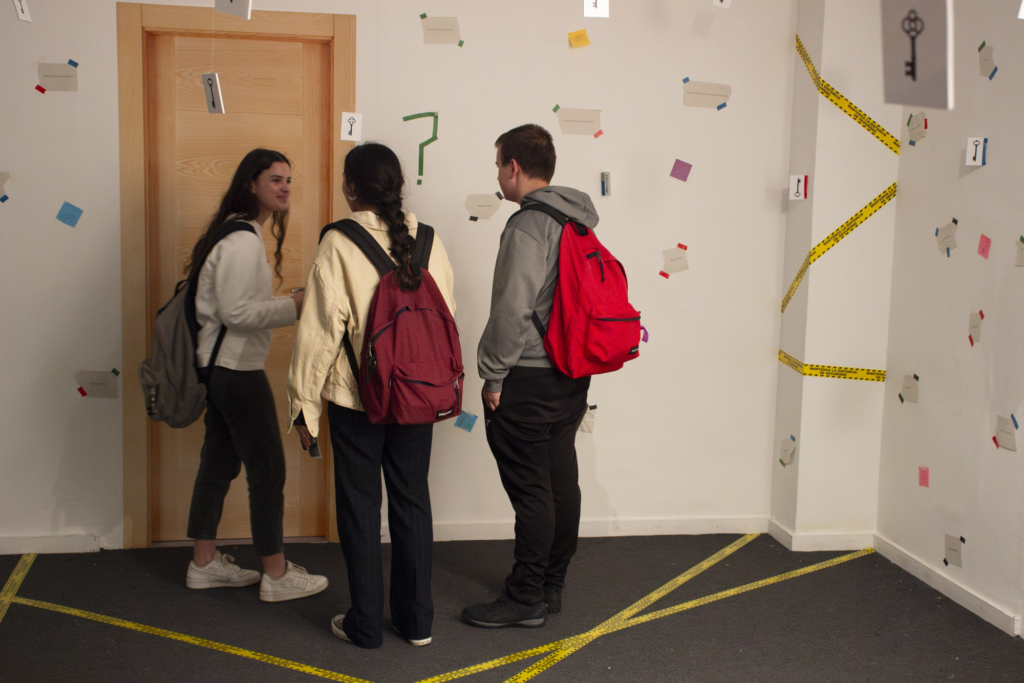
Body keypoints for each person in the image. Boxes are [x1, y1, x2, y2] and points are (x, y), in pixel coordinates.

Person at [286, 143, 457, 649]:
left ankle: (365, 624)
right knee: (412, 501)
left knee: (360, 508)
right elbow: (446, 318)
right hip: (418, 396)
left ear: (350, 188)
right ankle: (417, 622)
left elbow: (317, 336)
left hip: (357, 399)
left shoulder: (339, 244)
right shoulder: (430, 240)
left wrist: (303, 407)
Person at [462, 124, 596, 629]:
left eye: (499, 165)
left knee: (531, 487)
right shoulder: (578, 219)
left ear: (513, 167)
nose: (498, 174)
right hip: (571, 374)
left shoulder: (526, 225)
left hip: (530, 376)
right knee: (561, 479)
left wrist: (492, 374)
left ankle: (524, 597)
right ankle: (551, 584)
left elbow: (513, 308)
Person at [184, 148, 329, 603]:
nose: (285, 186)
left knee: (219, 463)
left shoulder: (231, 234)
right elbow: (238, 312)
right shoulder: (243, 239)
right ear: (252, 184)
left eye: (288, 179)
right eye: (274, 179)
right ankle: (276, 573)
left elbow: (231, 309)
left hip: (218, 367)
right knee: (268, 469)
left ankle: (203, 563)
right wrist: (297, 305)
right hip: (235, 370)